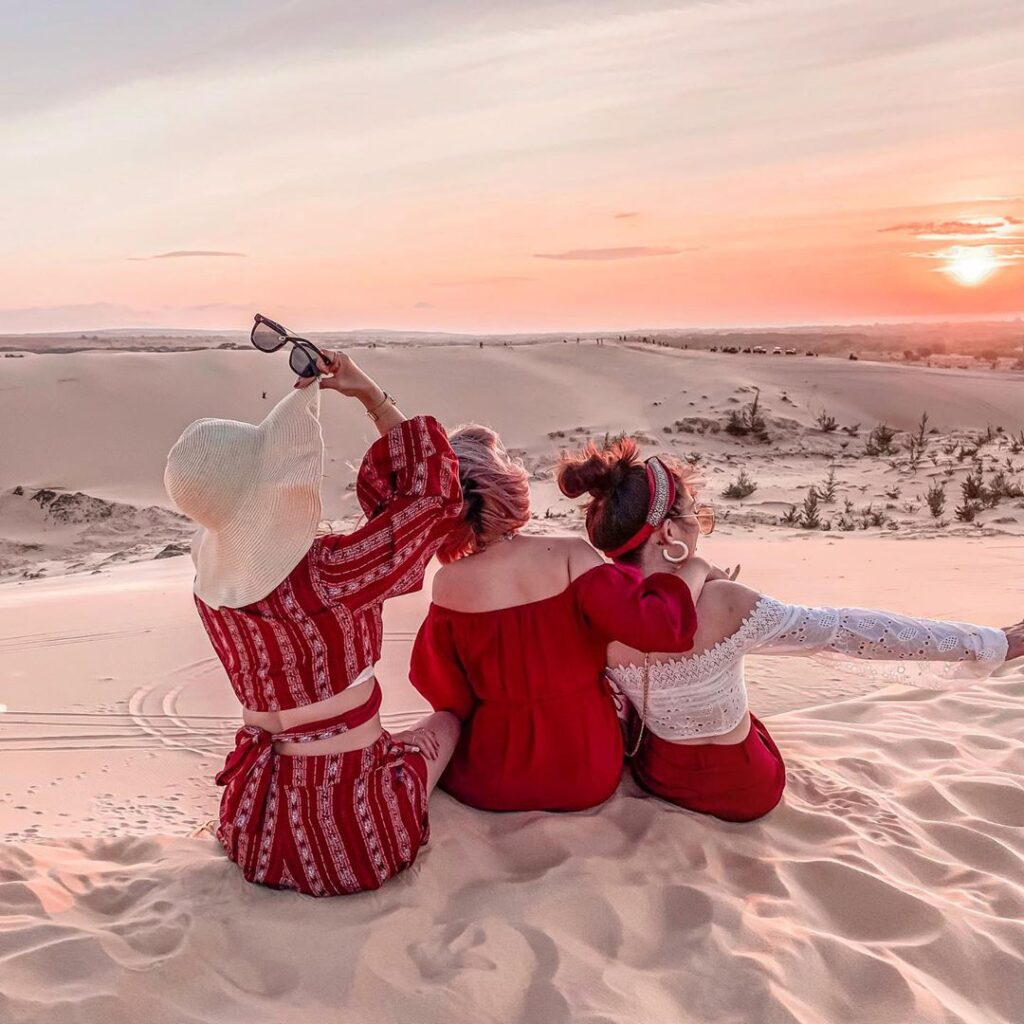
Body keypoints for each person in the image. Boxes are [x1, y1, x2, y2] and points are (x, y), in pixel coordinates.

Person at [558, 437, 1023, 822]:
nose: (701, 527)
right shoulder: (725, 603)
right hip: (742, 789)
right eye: (694, 514)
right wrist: (990, 644)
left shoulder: (592, 605)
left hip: (658, 775)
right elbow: (852, 631)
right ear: (667, 535)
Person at [164, 351, 463, 895]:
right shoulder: (329, 573)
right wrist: (371, 395)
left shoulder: (211, 590)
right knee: (445, 728)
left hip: (255, 829)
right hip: (351, 837)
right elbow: (431, 496)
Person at [409, 425, 719, 812]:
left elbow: (446, 693)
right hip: (586, 770)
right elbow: (660, 626)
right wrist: (698, 569)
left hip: (493, 777)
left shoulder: (447, 585)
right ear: (507, 487)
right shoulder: (572, 556)